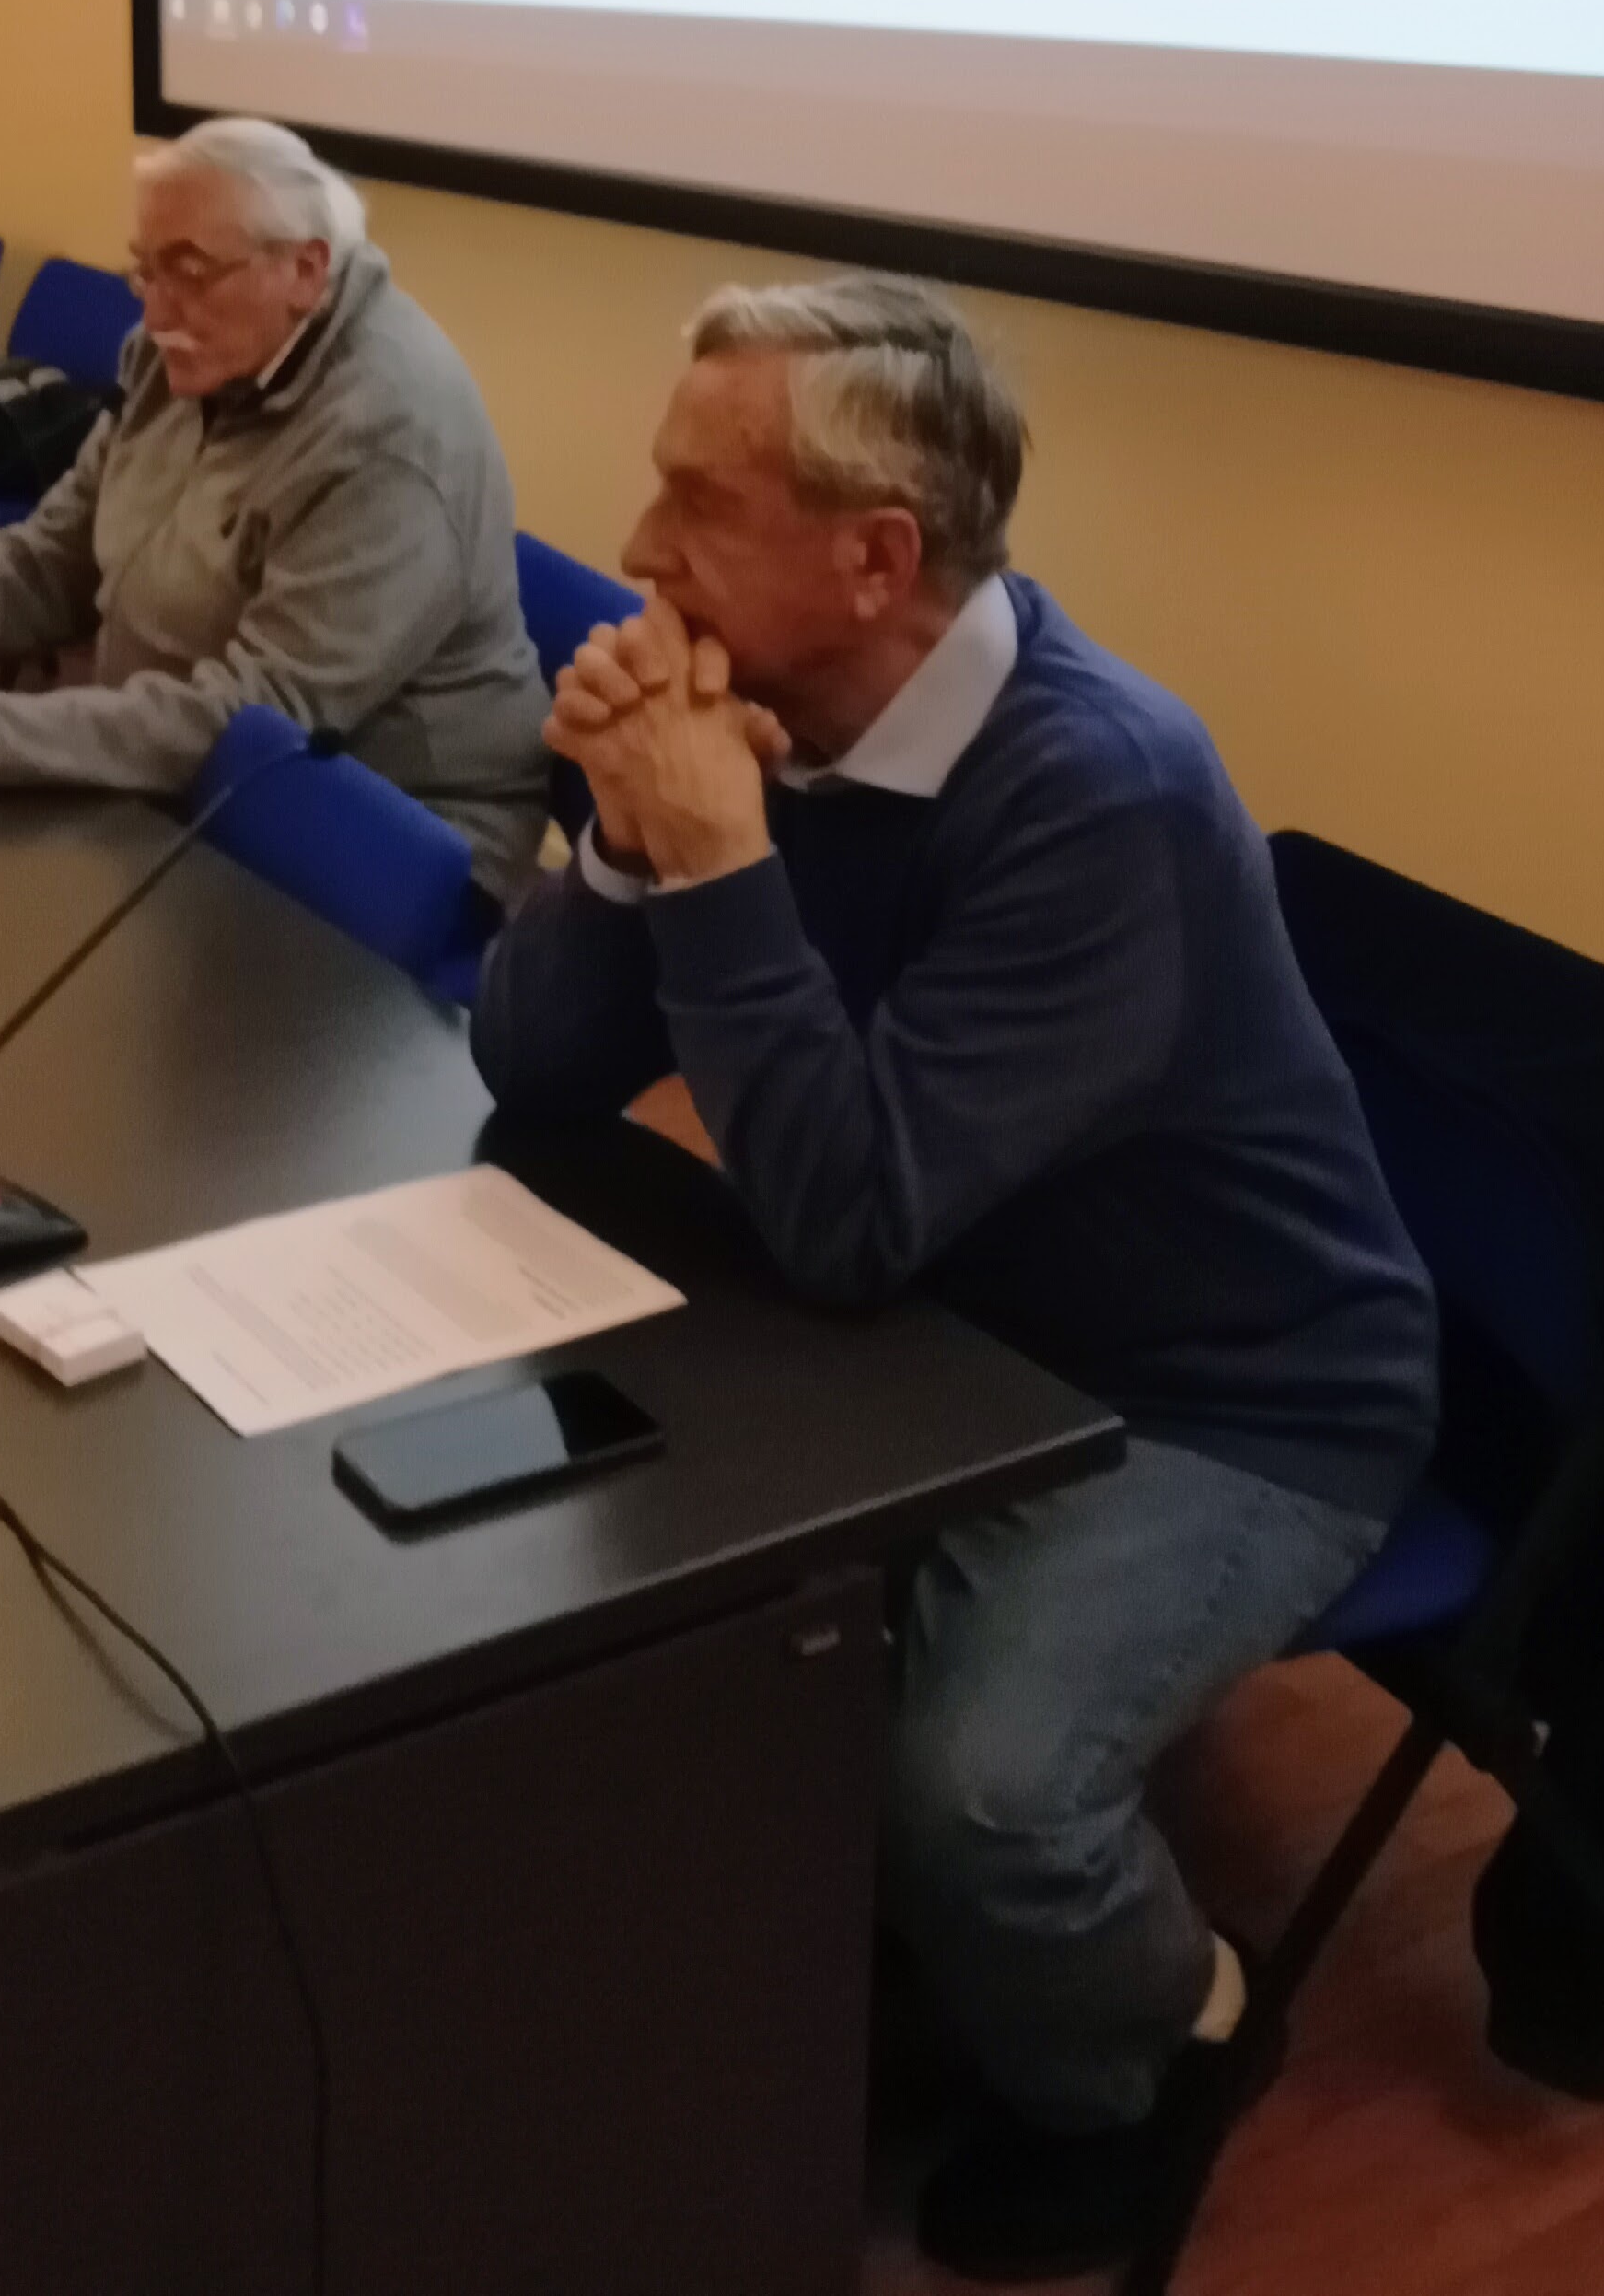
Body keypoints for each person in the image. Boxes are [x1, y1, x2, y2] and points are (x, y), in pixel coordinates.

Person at [469, 275, 1438, 2283]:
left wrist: (717, 861)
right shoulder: (794, 715)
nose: (637, 548)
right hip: (960, 1321)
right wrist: (631, 845)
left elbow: (844, 1216)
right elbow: (536, 1068)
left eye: (696, 504)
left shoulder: (1099, 792)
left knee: (981, 1798)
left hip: (1235, 1390)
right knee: (621, 1601)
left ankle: (1158, 2047)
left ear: (875, 558)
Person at [0, 119, 550, 896]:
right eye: (143, 271)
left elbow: (258, 720)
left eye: (188, 272)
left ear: (305, 270)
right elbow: (55, 558)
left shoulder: (388, 439)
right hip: (181, 774)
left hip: (386, 827)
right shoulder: (176, 357)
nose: (153, 313)